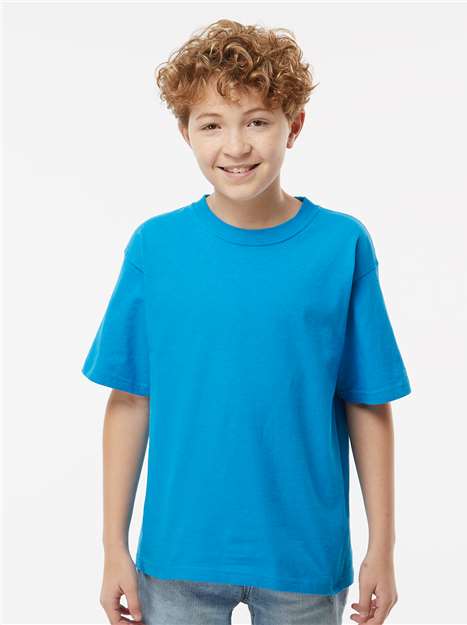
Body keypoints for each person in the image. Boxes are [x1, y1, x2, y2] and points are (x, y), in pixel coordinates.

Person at [82, 18, 412, 625]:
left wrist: (382, 550)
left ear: (295, 125)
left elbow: (368, 403)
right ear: (185, 132)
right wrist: (112, 548)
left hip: (304, 559)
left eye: (257, 121)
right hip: (177, 558)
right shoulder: (156, 247)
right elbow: (129, 401)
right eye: (212, 124)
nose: (235, 146)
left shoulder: (342, 245)